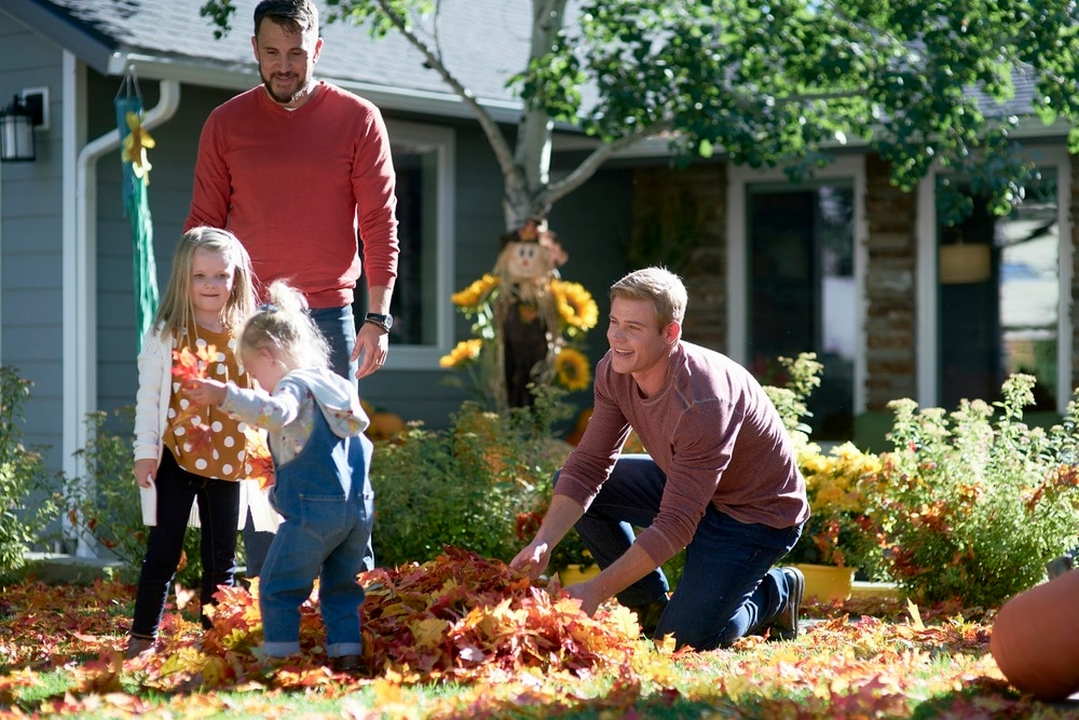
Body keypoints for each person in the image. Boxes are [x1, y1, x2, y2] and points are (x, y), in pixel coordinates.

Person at [184, 0, 399, 575]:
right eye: (273, 53)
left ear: (317, 50)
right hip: (247, 320)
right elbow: (204, 226)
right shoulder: (225, 124)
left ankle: (351, 595)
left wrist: (378, 318)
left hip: (328, 316)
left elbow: (379, 225)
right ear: (255, 48)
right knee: (258, 459)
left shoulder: (357, 119)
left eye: (297, 54)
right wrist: (198, 313)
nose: (285, 66)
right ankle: (266, 596)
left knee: (337, 458)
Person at [511, 267, 810, 651]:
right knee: (577, 485)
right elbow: (588, 466)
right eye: (614, 322)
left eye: (633, 327)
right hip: (691, 488)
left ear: (670, 333)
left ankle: (775, 593)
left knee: (686, 642)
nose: (617, 337)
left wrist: (597, 590)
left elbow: (676, 525)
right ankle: (647, 606)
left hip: (755, 515)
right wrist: (544, 542)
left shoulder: (703, 401)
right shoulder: (616, 369)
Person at [183, 280, 374, 672]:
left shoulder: (293, 386)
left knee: (277, 585)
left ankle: (280, 659)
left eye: (256, 373)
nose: (259, 384)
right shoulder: (335, 384)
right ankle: (347, 654)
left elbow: (276, 413)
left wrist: (226, 396)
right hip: (358, 509)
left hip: (312, 512)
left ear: (269, 355)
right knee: (341, 587)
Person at [126, 227, 277, 658]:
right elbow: (149, 396)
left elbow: (265, 398)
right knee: (162, 553)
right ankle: (143, 638)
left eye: (221, 276)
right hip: (178, 456)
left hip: (230, 463)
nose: (211, 285)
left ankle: (216, 640)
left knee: (222, 560)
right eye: (200, 276)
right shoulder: (167, 333)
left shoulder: (248, 334)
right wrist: (145, 452)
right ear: (184, 279)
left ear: (236, 278)